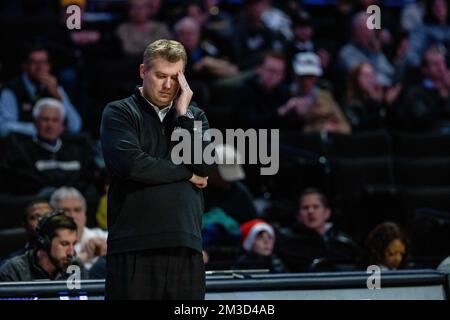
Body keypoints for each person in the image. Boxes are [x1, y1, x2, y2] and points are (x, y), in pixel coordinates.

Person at [100, 39, 215, 299]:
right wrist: (187, 173)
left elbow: (206, 166)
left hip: (186, 245)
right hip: (134, 246)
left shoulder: (195, 117)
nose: (167, 85)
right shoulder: (119, 112)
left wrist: (183, 114)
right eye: (160, 75)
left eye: (175, 78)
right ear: (143, 71)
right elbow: (132, 165)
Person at [1, 97, 98, 199]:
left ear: (62, 126)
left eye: (55, 120)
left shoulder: (79, 152)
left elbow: (88, 180)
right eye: (45, 120)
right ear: (35, 124)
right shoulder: (20, 152)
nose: (50, 125)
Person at [0, 44, 82, 137]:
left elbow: (75, 127)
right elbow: (4, 128)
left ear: (49, 66)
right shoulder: (11, 90)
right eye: (34, 62)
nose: (40, 68)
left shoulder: (55, 87)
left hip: (52, 147)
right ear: (25, 66)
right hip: (22, 146)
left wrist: (59, 97)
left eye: (43, 63)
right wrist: (38, 128)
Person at [274, 188, 361, 272]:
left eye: (316, 207)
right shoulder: (288, 245)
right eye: (305, 208)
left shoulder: (344, 243)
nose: (311, 211)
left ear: (327, 213)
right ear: (298, 216)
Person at [0, 211, 87, 281]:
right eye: (64, 244)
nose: (71, 252)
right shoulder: (14, 271)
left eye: (74, 244)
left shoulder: (75, 267)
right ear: (45, 243)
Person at [50, 187, 107, 270]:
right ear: (53, 215)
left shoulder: (103, 237)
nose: (72, 216)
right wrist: (80, 259)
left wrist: (107, 248)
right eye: (65, 211)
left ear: (85, 215)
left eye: (77, 210)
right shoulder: (48, 246)